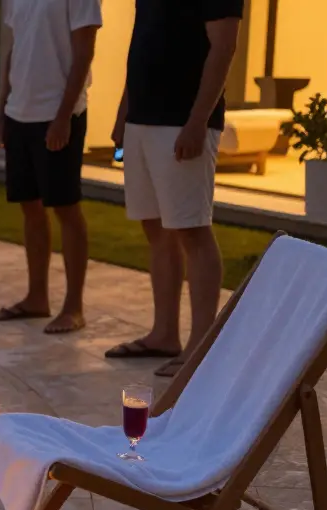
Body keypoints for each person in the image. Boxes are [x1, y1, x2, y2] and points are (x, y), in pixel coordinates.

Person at [106, 0, 241, 376]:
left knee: (192, 229)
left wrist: (198, 121)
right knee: (155, 228)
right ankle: (164, 334)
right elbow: (142, 42)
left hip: (183, 121)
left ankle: (201, 345)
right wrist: (124, 112)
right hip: (142, 118)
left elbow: (224, 46)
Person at [0, 0, 100, 332]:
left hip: (57, 113)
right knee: (30, 206)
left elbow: (84, 53)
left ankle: (74, 307)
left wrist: (63, 117)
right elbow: (15, 50)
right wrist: (1, 110)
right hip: (18, 112)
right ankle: (36, 297)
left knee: (66, 207)